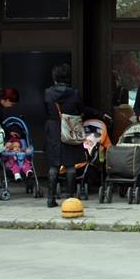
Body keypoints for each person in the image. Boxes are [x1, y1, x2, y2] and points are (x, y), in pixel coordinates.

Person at [44, 64, 101, 208]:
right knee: (70, 165)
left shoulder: (48, 93)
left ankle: (50, 199)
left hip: (54, 130)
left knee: (54, 165)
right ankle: (70, 198)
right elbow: (81, 110)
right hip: (70, 130)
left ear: (55, 77)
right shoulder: (74, 93)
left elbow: (46, 110)